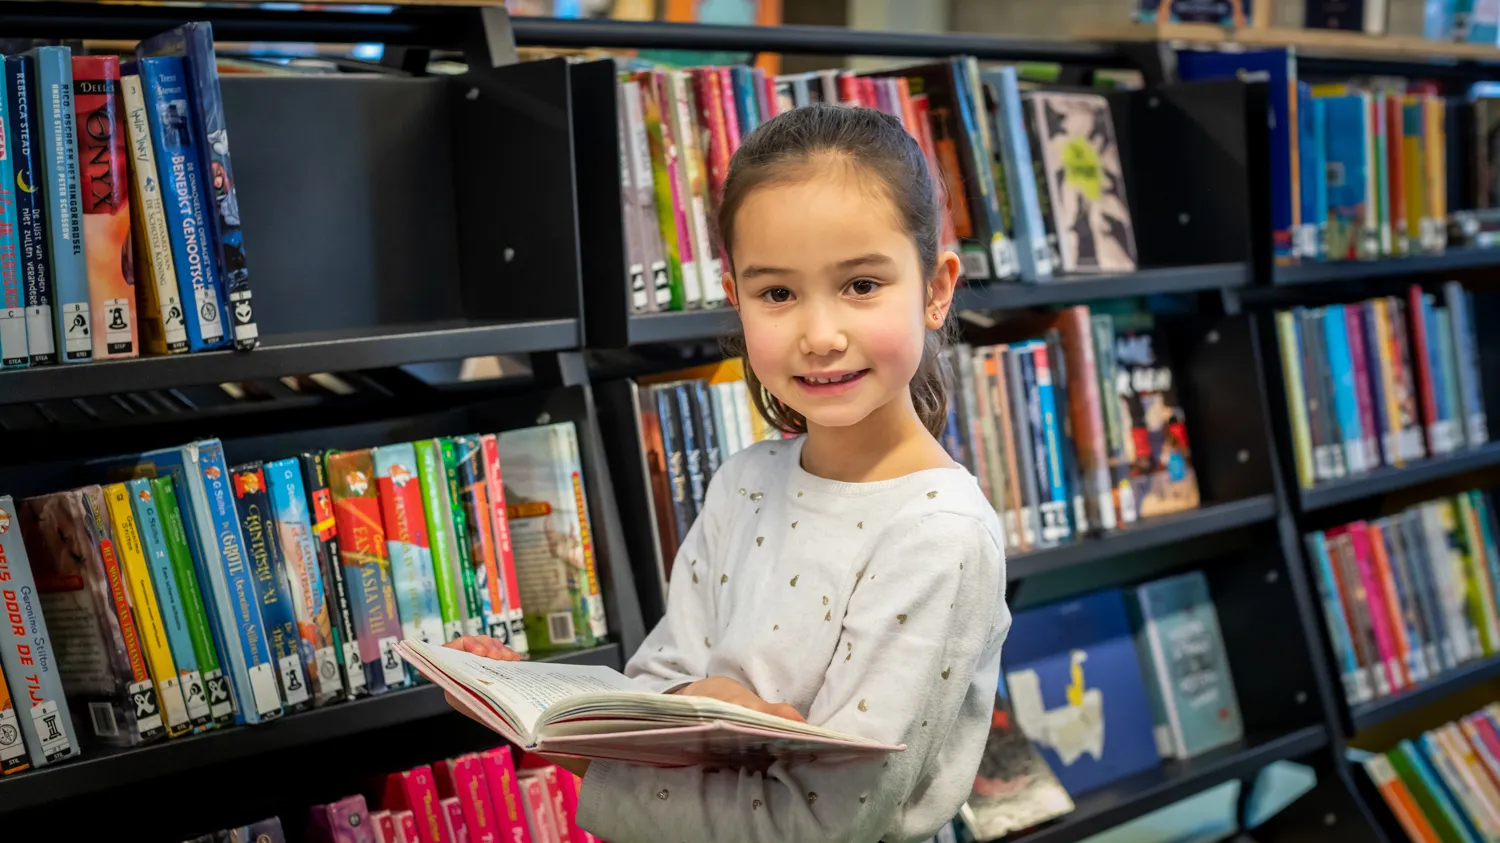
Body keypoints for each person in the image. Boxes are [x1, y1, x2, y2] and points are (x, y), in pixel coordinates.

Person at [444, 103, 1010, 843]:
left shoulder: (939, 534)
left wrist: (579, 750)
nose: (820, 334)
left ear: (936, 288)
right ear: (735, 294)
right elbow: (655, 685)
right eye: (777, 293)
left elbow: (826, 822)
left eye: (862, 285)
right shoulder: (743, 481)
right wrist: (570, 699)